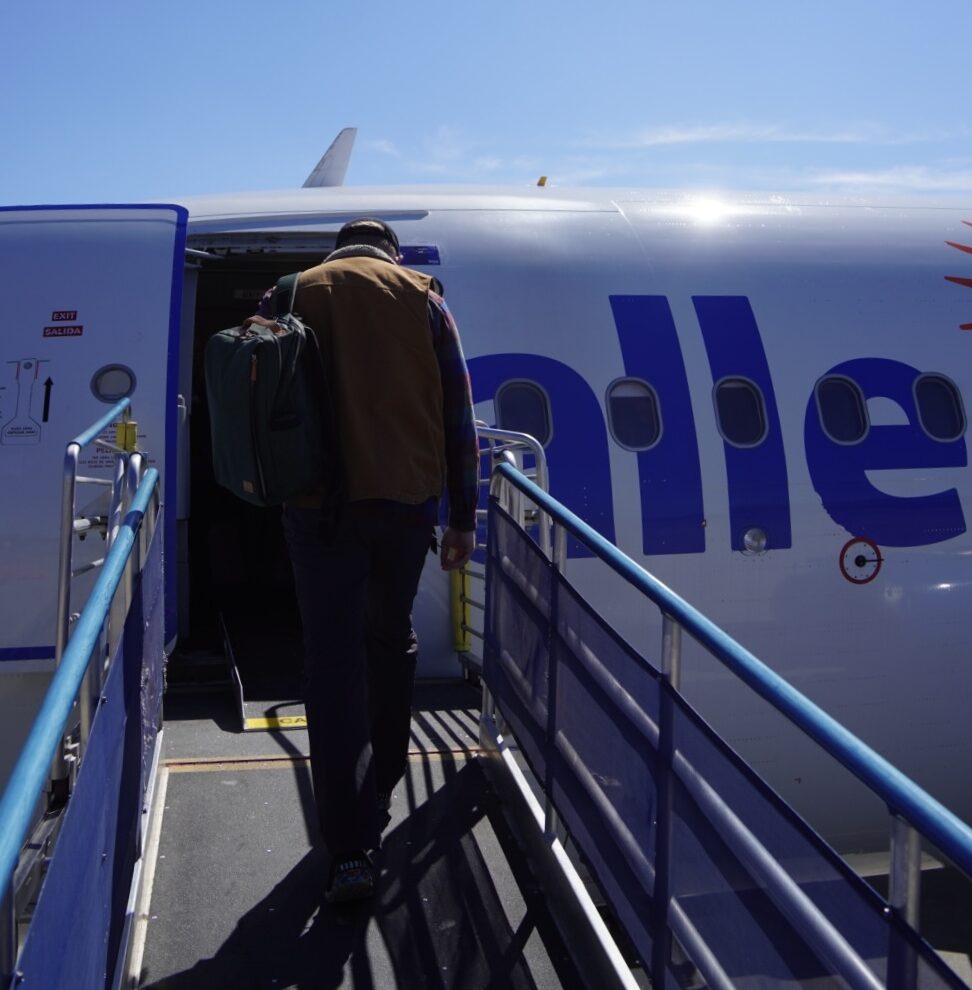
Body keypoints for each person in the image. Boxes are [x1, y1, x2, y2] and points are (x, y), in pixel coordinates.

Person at [278, 218, 479, 904]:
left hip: (317, 507)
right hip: (404, 506)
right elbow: (459, 416)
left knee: (330, 665)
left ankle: (352, 850)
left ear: (337, 249)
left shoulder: (294, 292)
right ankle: (385, 778)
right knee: (391, 640)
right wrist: (463, 517)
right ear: (390, 252)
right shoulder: (424, 297)